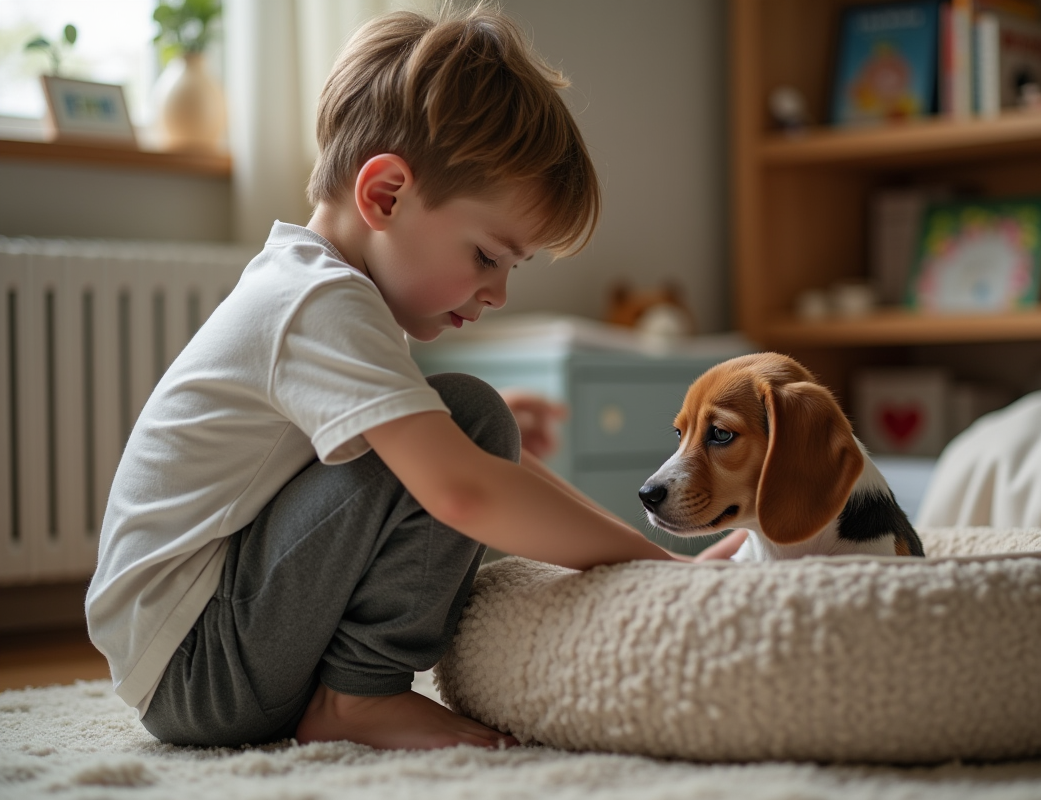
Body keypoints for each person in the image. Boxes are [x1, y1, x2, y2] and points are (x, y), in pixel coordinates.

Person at [85, 5, 741, 754]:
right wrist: (658, 567)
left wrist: (649, 560)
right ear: (386, 196)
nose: (496, 294)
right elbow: (463, 485)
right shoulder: (317, 302)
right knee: (468, 417)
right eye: (488, 257)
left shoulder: (320, 290)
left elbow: (486, 466)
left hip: (200, 654)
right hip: (200, 668)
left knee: (470, 423)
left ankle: (346, 692)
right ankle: (357, 696)